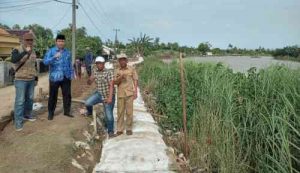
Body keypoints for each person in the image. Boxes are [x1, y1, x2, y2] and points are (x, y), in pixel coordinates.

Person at [11, 32, 38, 131]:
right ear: (23, 40)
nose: (29, 42)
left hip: (31, 79)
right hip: (20, 80)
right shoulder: (17, 49)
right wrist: (25, 52)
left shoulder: (34, 51)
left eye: (31, 40)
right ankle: (18, 122)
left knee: (30, 99)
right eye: (27, 40)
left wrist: (36, 78)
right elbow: (14, 60)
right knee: (20, 101)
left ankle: (27, 115)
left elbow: (34, 66)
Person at [43, 34, 74, 120]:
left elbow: (69, 64)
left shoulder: (67, 52)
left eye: (62, 41)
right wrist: (53, 57)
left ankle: (67, 111)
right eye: (59, 41)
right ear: (56, 42)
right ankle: (51, 113)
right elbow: (45, 62)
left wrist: (71, 74)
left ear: (64, 42)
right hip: (54, 77)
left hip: (66, 76)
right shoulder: (51, 51)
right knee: (53, 95)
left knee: (67, 95)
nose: (61, 43)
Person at [85, 56, 116, 138]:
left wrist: (109, 98)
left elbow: (111, 86)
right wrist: (90, 79)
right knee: (88, 103)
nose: (99, 65)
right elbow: (88, 83)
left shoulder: (109, 72)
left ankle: (110, 131)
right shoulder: (95, 72)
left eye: (100, 63)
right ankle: (89, 112)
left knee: (109, 115)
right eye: (97, 63)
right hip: (99, 94)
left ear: (103, 64)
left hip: (108, 95)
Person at [114, 53, 138, 136]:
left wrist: (135, 91)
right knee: (120, 112)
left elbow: (135, 79)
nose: (122, 61)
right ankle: (120, 129)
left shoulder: (131, 69)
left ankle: (129, 128)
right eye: (121, 60)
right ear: (119, 61)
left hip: (129, 93)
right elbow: (115, 82)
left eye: (124, 59)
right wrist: (120, 78)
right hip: (120, 94)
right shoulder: (117, 70)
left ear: (126, 60)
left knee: (129, 112)